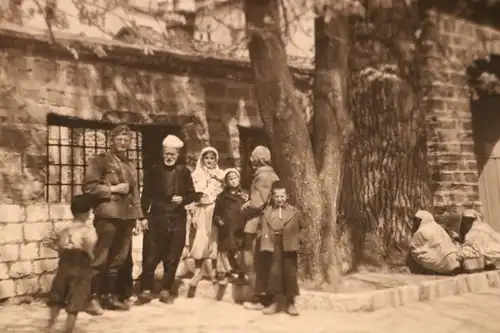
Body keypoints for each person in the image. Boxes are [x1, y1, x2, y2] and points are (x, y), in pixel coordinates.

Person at [82, 124, 144, 314]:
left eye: (126, 140)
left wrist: (139, 217)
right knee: (101, 257)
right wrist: (113, 189)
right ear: (112, 140)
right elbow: (88, 187)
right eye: (119, 139)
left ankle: (107, 296)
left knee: (119, 259)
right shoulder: (100, 161)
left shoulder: (130, 165)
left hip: (127, 217)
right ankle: (90, 299)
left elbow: (135, 194)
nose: (123, 143)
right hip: (107, 216)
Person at [137, 134, 198, 304]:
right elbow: (145, 196)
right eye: (167, 154)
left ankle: (165, 289)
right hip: (156, 217)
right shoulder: (154, 170)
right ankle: (146, 289)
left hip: (177, 217)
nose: (169, 157)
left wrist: (183, 199)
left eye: (173, 154)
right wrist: (142, 217)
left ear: (178, 155)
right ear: (163, 153)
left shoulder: (184, 172)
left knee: (173, 254)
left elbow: (193, 194)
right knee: (150, 253)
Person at [45, 194, 97, 333]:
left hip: (64, 266)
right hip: (80, 267)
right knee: (75, 300)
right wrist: (92, 260)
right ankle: (68, 329)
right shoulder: (88, 231)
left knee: (57, 296)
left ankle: (50, 325)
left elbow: (60, 249)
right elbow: (90, 249)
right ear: (88, 212)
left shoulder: (65, 229)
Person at [241, 146, 279, 310]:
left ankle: (261, 297)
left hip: (258, 222)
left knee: (255, 260)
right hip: (264, 222)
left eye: (253, 157)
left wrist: (244, 206)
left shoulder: (263, 176)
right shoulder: (268, 174)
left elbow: (258, 202)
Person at [258, 181, 305, 316]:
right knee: (274, 273)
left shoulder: (294, 212)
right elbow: (261, 228)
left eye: (282, 196)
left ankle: (291, 302)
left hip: (289, 246)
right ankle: (274, 302)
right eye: (276, 196)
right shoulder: (267, 212)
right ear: (272, 197)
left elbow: (303, 228)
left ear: (287, 196)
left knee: (290, 273)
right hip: (273, 245)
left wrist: (299, 240)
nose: (279, 199)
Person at [187, 146, 225, 293]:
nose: (209, 161)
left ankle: (214, 270)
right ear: (202, 159)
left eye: (212, 158)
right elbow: (190, 193)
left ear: (216, 159)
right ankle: (198, 271)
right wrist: (192, 209)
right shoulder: (196, 175)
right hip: (201, 210)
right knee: (200, 238)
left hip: (215, 210)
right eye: (206, 158)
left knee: (214, 239)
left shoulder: (221, 175)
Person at [212, 168, 249, 285]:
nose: (233, 181)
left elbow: (249, 209)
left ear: (239, 179)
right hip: (226, 227)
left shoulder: (245, 195)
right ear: (226, 182)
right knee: (226, 249)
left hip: (240, 226)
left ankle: (241, 273)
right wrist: (219, 220)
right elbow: (216, 212)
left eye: (235, 178)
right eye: (230, 179)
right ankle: (227, 273)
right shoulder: (221, 196)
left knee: (240, 249)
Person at [409, 210, 462, 275]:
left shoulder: (421, 231)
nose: (415, 223)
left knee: (415, 252)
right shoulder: (438, 227)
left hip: (444, 264)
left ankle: (432, 270)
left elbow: (413, 246)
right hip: (455, 261)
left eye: (417, 220)